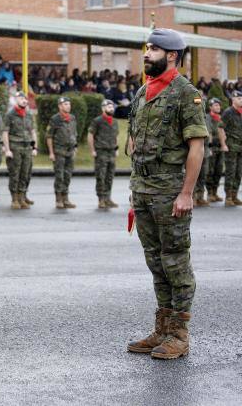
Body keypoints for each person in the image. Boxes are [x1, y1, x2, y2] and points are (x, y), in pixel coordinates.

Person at [127, 28, 207, 360]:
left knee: (175, 262)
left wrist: (186, 193)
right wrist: (134, 190)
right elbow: (136, 146)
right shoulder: (143, 92)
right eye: (146, 48)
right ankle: (162, 327)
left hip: (170, 192)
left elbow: (197, 146)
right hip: (144, 191)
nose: (146, 53)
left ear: (172, 55)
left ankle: (179, 333)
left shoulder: (186, 94)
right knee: (156, 263)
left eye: (154, 49)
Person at [2, 91, 36, 210]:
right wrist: (7, 149)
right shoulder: (10, 115)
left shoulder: (28, 115)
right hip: (15, 147)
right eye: (21, 98)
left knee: (25, 173)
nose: (24, 100)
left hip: (27, 147)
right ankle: (14, 198)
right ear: (16, 100)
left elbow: (32, 132)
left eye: (25, 99)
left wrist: (34, 147)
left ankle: (22, 197)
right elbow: (5, 132)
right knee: (15, 174)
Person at [46, 96, 79, 209]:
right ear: (60, 106)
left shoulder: (72, 118)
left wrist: (75, 147)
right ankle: (58, 199)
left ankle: (66, 198)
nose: (68, 106)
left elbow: (74, 134)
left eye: (69, 104)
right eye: (65, 104)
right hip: (59, 151)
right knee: (59, 175)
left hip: (70, 151)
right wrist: (51, 152)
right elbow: (49, 136)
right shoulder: (55, 119)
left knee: (68, 175)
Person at [87, 99, 119, 209]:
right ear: (103, 108)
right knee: (101, 176)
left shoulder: (114, 121)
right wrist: (92, 150)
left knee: (110, 176)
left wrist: (116, 148)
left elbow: (115, 136)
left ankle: (108, 198)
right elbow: (90, 135)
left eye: (112, 107)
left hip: (111, 152)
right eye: (109, 107)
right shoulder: (97, 121)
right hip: (101, 152)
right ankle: (101, 199)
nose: (111, 108)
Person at [219, 89, 242, 206]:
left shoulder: (241, 112)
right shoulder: (228, 112)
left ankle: (234, 195)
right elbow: (221, 127)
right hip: (231, 146)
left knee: (239, 172)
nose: (241, 100)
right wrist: (223, 144)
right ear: (233, 99)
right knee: (230, 172)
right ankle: (228, 197)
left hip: (240, 147)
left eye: (241, 98)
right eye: (239, 98)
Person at [204, 98, 225, 203]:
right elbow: (209, 133)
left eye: (219, 105)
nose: (218, 107)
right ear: (210, 107)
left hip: (220, 147)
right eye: (216, 105)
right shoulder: (208, 118)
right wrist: (209, 146)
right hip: (212, 147)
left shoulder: (220, 118)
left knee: (219, 170)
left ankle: (215, 192)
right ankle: (210, 193)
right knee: (210, 171)